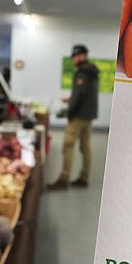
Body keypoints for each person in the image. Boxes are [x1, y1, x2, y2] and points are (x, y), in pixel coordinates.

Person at [47, 44, 100, 190]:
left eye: (74, 57)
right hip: (88, 116)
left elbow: (80, 95)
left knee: (67, 146)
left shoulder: (82, 73)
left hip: (78, 116)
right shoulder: (93, 71)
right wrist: (70, 99)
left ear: (81, 56)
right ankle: (84, 177)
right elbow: (83, 94)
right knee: (85, 148)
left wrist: (70, 112)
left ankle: (64, 179)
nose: (73, 60)